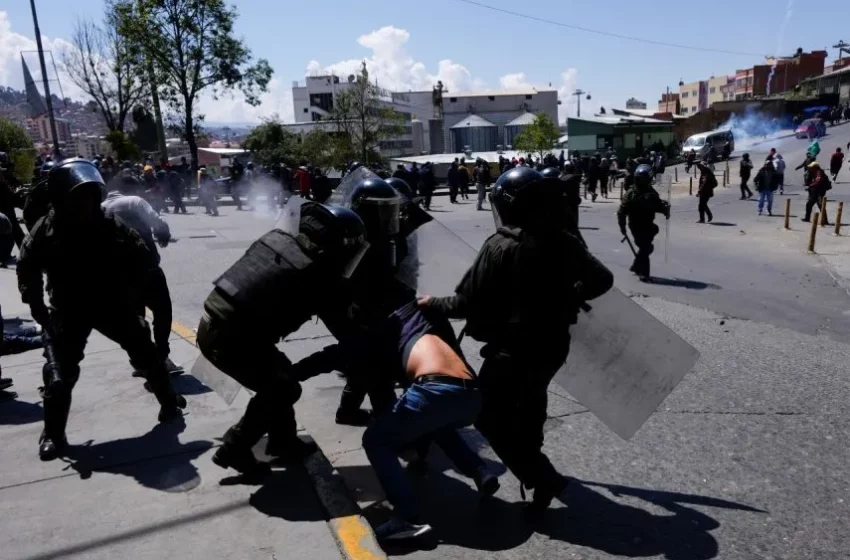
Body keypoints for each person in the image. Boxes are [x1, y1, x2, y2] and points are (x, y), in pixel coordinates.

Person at [420, 167, 614, 516]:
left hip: (513, 351)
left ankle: (541, 476)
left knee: (488, 417)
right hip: (554, 346)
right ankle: (533, 457)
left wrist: (429, 303)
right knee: (532, 399)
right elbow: (602, 279)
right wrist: (571, 296)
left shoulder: (501, 245)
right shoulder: (564, 239)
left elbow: (464, 304)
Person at [17, 158, 186, 460]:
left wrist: (136, 291)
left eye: (89, 196)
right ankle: (53, 432)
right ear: (63, 200)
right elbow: (27, 264)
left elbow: (142, 257)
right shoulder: (48, 227)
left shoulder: (108, 221)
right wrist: (35, 303)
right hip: (68, 309)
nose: (86, 204)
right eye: (78, 198)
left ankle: (169, 403)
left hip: (112, 304)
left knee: (145, 355)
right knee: (59, 372)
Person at [292, 301, 499, 541]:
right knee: (435, 422)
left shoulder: (379, 333)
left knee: (376, 441)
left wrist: (292, 373)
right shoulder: (419, 313)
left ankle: (409, 519)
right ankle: (479, 470)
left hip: (436, 388)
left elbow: (331, 356)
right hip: (472, 394)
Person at [197, 202, 371, 477]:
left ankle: (284, 442)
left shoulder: (282, 242)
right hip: (231, 340)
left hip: (218, 326)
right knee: (282, 389)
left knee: (280, 375)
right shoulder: (319, 273)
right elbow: (345, 329)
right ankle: (235, 448)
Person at [102, 176, 180, 375]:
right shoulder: (134, 202)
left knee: (135, 319)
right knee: (162, 312)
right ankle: (162, 357)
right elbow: (158, 222)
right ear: (130, 188)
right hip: (146, 268)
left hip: (118, 276)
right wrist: (164, 235)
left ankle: (141, 360)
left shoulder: (100, 208)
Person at [617, 164, 670, 282]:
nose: (642, 181)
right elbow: (622, 211)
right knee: (645, 247)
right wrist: (622, 227)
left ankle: (636, 266)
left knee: (646, 247)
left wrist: (665, 209)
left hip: (648, 224)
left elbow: (658, 205)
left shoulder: (652, 192)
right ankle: (644, 273)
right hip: (635, 225)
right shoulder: (631, 193)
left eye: (645, 179)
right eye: (640, 179)